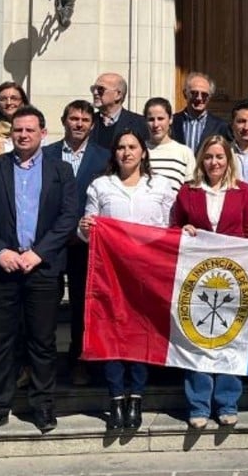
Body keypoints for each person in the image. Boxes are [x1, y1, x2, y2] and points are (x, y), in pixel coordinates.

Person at [0, 107, 81, 436]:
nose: (23, 135)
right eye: (18, 130)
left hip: (42, 269)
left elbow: (68, 216)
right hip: (0, 268)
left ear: (43, 133)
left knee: (42, 340)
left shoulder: (61, 170)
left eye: (30, 130)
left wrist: (39, 253)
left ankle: (43, 405)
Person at [77, 129, 177, 431]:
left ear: (143, 152)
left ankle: (136, 397)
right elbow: (87, 232)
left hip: (147, 275)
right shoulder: (100, 185)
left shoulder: (161, 186)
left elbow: (169, 228)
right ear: (114, 153)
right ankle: (116, 397)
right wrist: (85, 228)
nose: (127, 152)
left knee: (141, 334)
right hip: (111, 275)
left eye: (133, 147)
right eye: (121, 147)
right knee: (111, 332)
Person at [169, 135, 248, 430]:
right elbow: (174, 227)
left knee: (230, 338)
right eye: (208, 157)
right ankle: (198, 404)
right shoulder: (188, 191)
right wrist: (184, 229)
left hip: (234, 277)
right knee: (197, 338)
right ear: (201, 161)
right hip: (198, 278)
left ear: (228, 160)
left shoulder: (242, 191)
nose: (214, 162)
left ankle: (227, 402)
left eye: (220, 157)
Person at [43, 100, 111, 386]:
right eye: (74, 119)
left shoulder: (103, 157)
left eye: (85, 120)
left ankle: (79, 361)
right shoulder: (46, 154)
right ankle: (41, 366)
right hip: (50, 244)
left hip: (85, 245)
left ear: (92, 125)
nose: (79, 124)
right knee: (45, 306)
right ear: (63, 121)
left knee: (83, 306)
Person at [171, 71, 228, 154]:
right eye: (194, 93)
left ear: (209, 97)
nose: (199, 98)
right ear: (185, 94)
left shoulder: (220, 126)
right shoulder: (172, 122)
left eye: (204, 94)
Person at [90, 72, 149, 151]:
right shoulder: (88, 121)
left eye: (100, 89)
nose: (95, 93)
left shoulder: (140, 123)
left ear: (118, 95)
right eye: (93, 89)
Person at [144, 97, 195, 187]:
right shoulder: (139, 150)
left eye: (160, 119)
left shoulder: (184, 152)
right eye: (151, 119)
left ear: (170, 119)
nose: (156, 124)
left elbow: (191, 189)